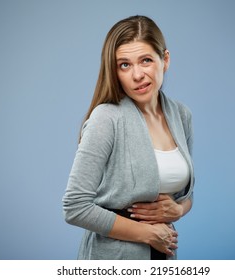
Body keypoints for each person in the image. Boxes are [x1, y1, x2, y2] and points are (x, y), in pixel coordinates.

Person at [62, 15, 194, 260]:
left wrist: (178, 210)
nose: (137, 75)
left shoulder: (181, 115)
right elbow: (74, 207)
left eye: (145, 61)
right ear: (114, 71)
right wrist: (145, 233)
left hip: (163, 255)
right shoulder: (107, 118)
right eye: (124, 65)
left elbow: (186, 195)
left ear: (164, 60)